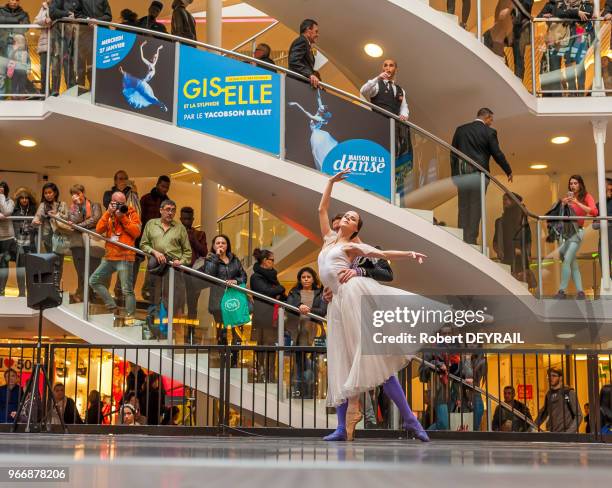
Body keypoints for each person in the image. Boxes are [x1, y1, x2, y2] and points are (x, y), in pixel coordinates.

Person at [317, 169, 429, 442]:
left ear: (355, 229)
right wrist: (330, 183)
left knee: (371, 360)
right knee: (342, 365)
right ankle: (343, 428)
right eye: (346, 215)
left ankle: (411, 419)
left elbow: (381, 255)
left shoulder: (352, 248)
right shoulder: (328, 240)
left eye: (352, 218)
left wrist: (409, 253)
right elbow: (322, 208)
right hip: (338, 304)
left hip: (354, 298)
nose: (346, 218)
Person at [451, 108, 513, 245]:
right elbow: (497, 153)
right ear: (488, 117)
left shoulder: (460, 130)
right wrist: (508, 170)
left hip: (462, 174)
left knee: (463, 205)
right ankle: (471, 238)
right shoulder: (489, 132)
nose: (492, 123)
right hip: (479, 175)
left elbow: (453, 153)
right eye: (491, 120)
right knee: (476, 206)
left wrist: (454, 175)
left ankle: (461, 235)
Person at [140, 199, 191, 336]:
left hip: (173, 269)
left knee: (172, 301)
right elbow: (143, 244)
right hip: (155, 267)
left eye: (173, 210)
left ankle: (167, 333)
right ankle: (153, 331)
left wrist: (181, 261)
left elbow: (188, 253)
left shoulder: (180, 228)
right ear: (161, 210)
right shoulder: (151, 224)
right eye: (167, 209)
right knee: (154, 298)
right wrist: (155, 252)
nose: (170, 212)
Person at [89, 191, 142, 320]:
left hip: (125, 257)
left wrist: (122, 217)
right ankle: (112, 306)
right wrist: (108, 212)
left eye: (122, 203)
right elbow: (99, 229)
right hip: (109, 256)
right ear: (111, 203)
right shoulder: (109, 214)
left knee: (126, 290)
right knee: (93, 280)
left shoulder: (131, 213)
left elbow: (136, 233)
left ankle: (130, 317)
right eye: (117, 203)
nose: (120, 206)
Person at [286, 267, 327, 398]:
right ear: (300, 279)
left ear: (314, 278)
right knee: (299, 364)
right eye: (303, 277)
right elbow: (289, 307)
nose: (306, 279)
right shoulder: (294, 292)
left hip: (315, 331)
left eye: (308, 277)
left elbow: (322, 311)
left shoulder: (320, 293)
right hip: (297, 333)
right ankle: (299, 393)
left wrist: (308, 309)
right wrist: (299, 306)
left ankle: (311, 393)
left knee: (312, 364)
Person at [554, 175, 597, 299]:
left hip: (577, 232)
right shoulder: (567, 199)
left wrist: (576, 202)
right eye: (571, 183)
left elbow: (594, 212)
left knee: (567, 258)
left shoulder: (586, 196)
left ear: (580, 184)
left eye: (575, 183)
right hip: (566, 233)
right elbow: (557, 215)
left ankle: (561, 291)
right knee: (572, 263)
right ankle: (580, 292)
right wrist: (562, 204)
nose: (573, 185)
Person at [57, 184, 102, 303]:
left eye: (78, 193)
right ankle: (85, 297)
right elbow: (73, 221)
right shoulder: (72, 208)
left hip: (92, 242)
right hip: (77, 243)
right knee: (81, 272)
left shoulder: (94, 205)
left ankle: (85, 296)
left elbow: (96, 219)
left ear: (83, 192)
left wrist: (78, 227)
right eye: (73, 194)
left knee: (92, 271)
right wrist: (77, 207)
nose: (76, 196)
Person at [539, 0, 594, 95]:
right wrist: (576, 13)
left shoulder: (584, 3)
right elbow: (558, 13)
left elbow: (588, 14)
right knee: (565, 66)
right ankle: (568, 94)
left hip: (578, 39)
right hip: (560, 40)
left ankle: (580, 93)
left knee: (578, 65)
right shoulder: (558, 3)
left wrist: (568, 14)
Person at [203, 234, 247, 351]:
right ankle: (223, 359)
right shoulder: (210, 259)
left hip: (234, 301)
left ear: (227, 246)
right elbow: (208, 276)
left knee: (237, 331)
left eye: (223, 243)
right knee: (222, 332)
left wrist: (236, 281)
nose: (220, 245)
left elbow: (244, 276)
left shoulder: (235, 259)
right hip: (219, 301)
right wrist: (217, 258)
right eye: (218, 243)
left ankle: (234, 360)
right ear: (213, 246)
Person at [249, 248, 285, 382]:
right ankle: (261, 373)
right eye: (272, 260)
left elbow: (276, 293)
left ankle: (270, 374)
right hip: (262, 316)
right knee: (261, 345)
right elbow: (265, 292)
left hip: (273, 316)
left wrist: (278, 292)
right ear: (265, 261)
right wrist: (280, 289)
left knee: (271, 345)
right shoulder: (256, 277)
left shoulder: (271, 276)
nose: (273, 263)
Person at [139, 175, 171, 300]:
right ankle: (145, 289)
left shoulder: (168, 202)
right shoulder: (146, 199)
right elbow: (140, 218)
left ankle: (148, 290)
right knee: (145, 262)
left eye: (167, 187)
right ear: (157, 184)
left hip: (158, 238)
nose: (164, 189)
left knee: (153, 263)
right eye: (163, 186)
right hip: (144, 236)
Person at [288, 89, 336, 171]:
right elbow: (318, 98)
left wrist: (296, 104)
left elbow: (305, 112)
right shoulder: (319, 113)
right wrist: (317, 89)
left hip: (317, 135)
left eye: (320, 110)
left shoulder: (317, 118)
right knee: (318, 152)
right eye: (320, 108)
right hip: (317, 134)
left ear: (322, 112)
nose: (319, 109)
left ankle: (327, 165)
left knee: (319, 152)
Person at [179, 206, 207, 342]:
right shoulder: (175, 232)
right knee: (176, 303)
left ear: (193, 219)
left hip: (192, 274)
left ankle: (190, 334)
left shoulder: (200, 234)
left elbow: (204, 252)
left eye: (189, 219)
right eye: (184, 219)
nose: (186, 221)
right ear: (180, 219)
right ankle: (176, 333)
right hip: (177, 273)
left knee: (192, 306)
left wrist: (193, 239)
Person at [119, 41, 168, 112]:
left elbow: (157, 56)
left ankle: (161, 105)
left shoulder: (153, 65)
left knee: (149, 98)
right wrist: (141, 47)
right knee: (147, 96)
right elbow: (142, 57)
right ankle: (123, 72)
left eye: (155, 57)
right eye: (154, 57)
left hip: (144, 84)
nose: (155, 58)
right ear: (151, 59)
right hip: (142, 83)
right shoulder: (149, 64)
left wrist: (158, 49)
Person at [74, 0, 112, 90]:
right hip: (85, 35)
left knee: (100, 64)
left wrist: (97, 21)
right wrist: (88, 20)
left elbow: (109, 16)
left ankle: (97, 90)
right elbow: (77, 14)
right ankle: (82, 90)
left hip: (101, 35)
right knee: (84, 65)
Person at [32, 182, 67, 280]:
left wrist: (56, 214)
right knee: (48, 263)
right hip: (46, 239)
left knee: (58, 264)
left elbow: (67, 219)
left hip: (60, 238)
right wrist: (35, 221)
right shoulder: (43, 205)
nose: (48, 195)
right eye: (45, 193)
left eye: (50, 192)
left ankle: (56, 287)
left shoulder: (62, 204)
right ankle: (48, 287)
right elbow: (37, 217)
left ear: (55, 193)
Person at [493, 193, 532, 277]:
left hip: (518, 255)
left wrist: (525, 252)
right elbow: (496, 240)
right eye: (503, 199)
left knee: (519, 280)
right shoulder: (500, 221)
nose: (504, 202)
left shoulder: (521, 216)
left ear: (513, 201)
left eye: (506, 199)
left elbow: (527, 236)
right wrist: (498, 250)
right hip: (506, 256)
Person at [535, 367, 582, 432]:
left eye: (554, 376)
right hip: (552, 433)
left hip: (565, 435)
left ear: (560, 378)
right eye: (549, 376)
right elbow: (544, 413)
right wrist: (533, 427)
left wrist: (569, 432)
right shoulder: (549, 394)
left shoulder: (568, 392)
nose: (551, 378)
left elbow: (579, 415)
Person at [11, 187, 38, 297]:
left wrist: (31, 228)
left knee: (31, 270)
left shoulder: (33, 211)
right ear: (18, 199)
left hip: (31, 244)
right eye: (22, 198)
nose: (24, 200)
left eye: (26, 198)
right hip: (19, 243)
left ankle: (31, 292)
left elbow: (37, 227)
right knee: (20, 270)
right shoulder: (14, 211)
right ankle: (21, 292)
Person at [288, 19, 320, 87]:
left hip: (301, 84)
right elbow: (294, 61)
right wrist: (310, 75)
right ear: (308, 30)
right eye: (316, 31)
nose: (317, 35)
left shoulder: (306, 43)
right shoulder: (302, 41)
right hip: (297, 84)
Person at [592, 178, 612, 281]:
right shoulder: (598, 205)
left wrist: (605, 222)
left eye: (605, 185)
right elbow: (594, 225)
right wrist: (606, 223)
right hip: (604, 241)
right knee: (605, 271)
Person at [511, 0, 533, 80]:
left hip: (523, 28)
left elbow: (526, 6)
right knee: (517, 56)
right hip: (513, 28)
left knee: (519, 57)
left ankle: (518, 81)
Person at [0, 181, 15, 296]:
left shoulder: (10, 201)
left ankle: (2, 290)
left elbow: (7, 212)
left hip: (7, 237)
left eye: (2, 189)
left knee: (4, 263)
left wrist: (1, 197)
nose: (0, 190)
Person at [33, 1, 51, 91]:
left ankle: (55, 93)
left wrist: (50, 20)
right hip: (44, 44)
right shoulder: (43, 7)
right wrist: (45, 20)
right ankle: (45, 91)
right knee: (44, 69)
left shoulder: (61, 5)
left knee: (56, 71)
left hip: (57, 43)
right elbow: (35, 22)